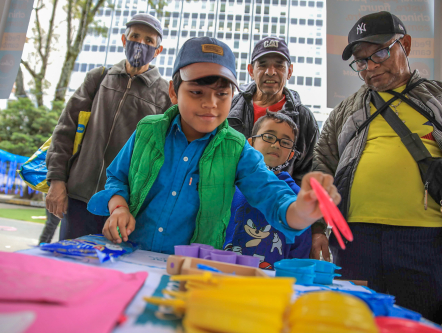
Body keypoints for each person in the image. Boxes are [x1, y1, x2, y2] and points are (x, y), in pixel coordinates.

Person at [86, 37, 340, 254]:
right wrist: (118, 207)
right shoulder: (147, 130)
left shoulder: (237, 149)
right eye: (197, 92)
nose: (211, 104)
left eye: (222, 94)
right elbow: (116, 178)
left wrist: (304, 210)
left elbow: (273, 196)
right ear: (174, 91)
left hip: (191, 269)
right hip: (127, 253)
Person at [312, 11, 442, 322]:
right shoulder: (346, 109)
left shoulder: (436, 97)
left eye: (380, 53)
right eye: (361, 61)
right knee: (354, 321)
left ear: (406, 45)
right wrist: (317, 228)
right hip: (354, 239)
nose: (370, 66)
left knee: (419, 321)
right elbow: (322, 167)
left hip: (426, 241)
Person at [45, 13, 173, 240]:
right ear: (124, 40)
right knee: (69, 268)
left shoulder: (165, 95)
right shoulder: (99, 78)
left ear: (158, 51)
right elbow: (65, 130)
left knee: (111, 272)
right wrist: (57, 181)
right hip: (79, 198)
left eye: (149, 41)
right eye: (135, 36)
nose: (140, 44)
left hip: (126, 207)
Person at [224, 113, 311, 270]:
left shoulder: (297, 198)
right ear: (250, 143)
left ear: (291, 154)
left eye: (285, 142)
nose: (276, 145)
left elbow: (300, 250)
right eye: (268, 137)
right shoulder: (229, 184)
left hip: (270, 284)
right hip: (220, 274)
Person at [228, 36, 319, 185]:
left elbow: (309, 174)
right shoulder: (230, 107)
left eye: (279, 66)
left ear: (289, 71)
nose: (270, 72)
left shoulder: (303, 118)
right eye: (262, 65)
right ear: (251, 70)